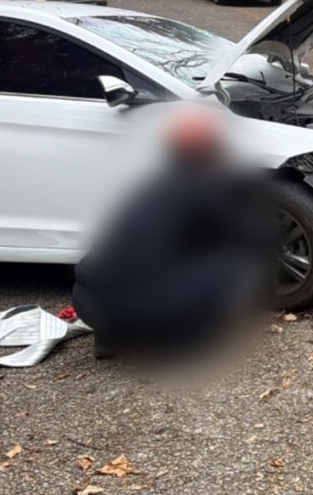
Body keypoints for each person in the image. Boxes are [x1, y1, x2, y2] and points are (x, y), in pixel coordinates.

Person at [71, 110, 272, 362]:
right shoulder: (198, 185)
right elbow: (246, 232)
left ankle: (110, 338)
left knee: (142, 265)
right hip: (141, 308)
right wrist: (270, 229)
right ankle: (184, 339)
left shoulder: (151, 184)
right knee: (233, 261)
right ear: (208, 151)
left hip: (88, 302)